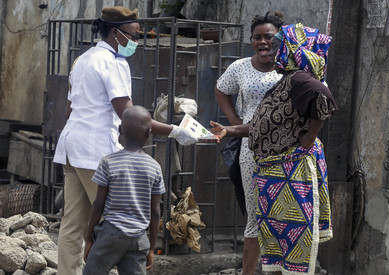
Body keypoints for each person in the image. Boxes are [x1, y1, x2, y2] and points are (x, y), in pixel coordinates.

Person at [53, 6, 196, 275]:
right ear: (116, 34)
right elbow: (129, 116)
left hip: (72, 145)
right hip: (94, 150)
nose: (136, 41)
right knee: (115, 223)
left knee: (72, 223)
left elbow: (70, 109)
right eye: (134, 35)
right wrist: (176, 131)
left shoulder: (83, 59)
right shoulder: (113, 63)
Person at [210, 23, 337, 274]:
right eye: (258, 37)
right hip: (268, 162)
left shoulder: (299, 78)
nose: (268, 45)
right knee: (271, 221)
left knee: (288, 225)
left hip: (289, 167)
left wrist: (310, 137)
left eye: (274, 40)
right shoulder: (286, 77)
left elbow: (323, 98)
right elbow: (263, 124)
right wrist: (233, 127)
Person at [215, 11, 284, 275]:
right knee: (255, 216)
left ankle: (279, 270)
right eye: (257, 37)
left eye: (269, 36)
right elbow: (221, 89)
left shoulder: (292, 68)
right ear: (252, 41)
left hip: (285, 153)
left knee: (282, 215)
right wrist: (234, 122)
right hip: (251, 151)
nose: (263, 42)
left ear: (280, 38)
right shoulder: (240, 67)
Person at [82, 106, 164, 275]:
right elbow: (156, 211)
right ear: (149, 134)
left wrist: (89, 238)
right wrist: (151, 247)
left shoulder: (108, 162)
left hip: (111, 234)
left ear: (120, 130)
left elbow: (98, 204)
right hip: (139, 239)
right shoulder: (154, 167)